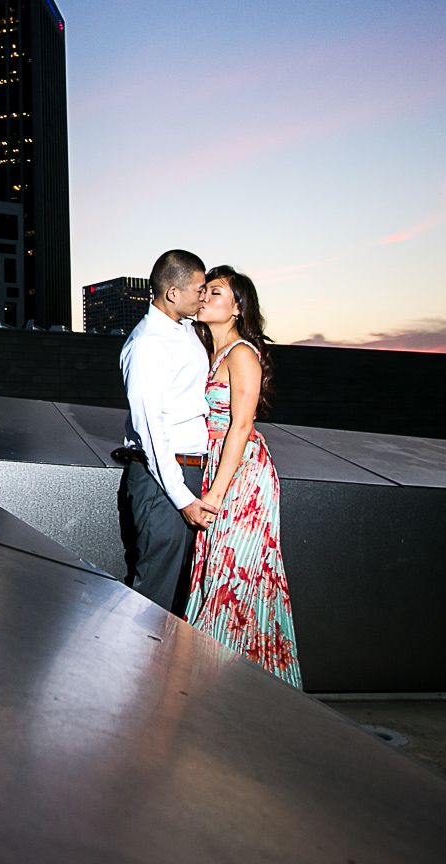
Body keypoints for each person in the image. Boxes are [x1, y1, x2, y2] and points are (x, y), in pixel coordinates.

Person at [184, 265, 302, 687]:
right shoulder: (211, 352)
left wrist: (215, 492)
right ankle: (244, 684)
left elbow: (241, 426)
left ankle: (217, 683)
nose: (204, 298)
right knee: (223, 572)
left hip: (243, 478)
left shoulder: (241, 353)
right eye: (204, 291)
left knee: (235, 575)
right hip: (220, 467)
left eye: (214, 292)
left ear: (237, 308)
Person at [118, 250, 222, 611]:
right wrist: (183, 498)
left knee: (178, 592)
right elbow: (150, 431)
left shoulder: (188, 330)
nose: (204, 296)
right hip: (164, 481)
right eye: (199, 288)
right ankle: (133, 667)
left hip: (188, 473)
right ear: (173, 293)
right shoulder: (148, 344)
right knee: (154, 595)